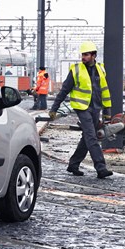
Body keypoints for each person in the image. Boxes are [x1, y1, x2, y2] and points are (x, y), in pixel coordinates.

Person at [48, 41, 113, 179]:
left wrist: (107, 113)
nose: (83, 57)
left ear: (94, 55)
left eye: (86, 54)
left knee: (86, 138)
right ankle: (101, 167)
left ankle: (73, 164)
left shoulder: (101, 69)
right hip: (82, 108)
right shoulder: (76, 70)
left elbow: (105, 92)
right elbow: (64, 90)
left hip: (96, 108)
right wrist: (54, 108)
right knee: (91, 136)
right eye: (82, 54)